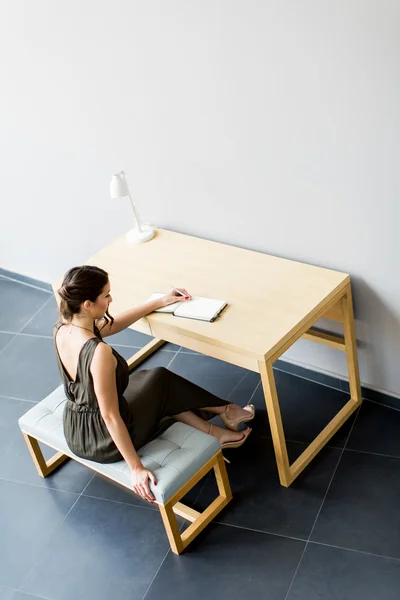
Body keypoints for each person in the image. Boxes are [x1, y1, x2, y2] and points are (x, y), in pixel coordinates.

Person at [54, 265, 254, 504]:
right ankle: (226, 413)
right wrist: (136, 468)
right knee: (161, 380)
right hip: (103, 440)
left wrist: (158, 302)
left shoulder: (64, 328)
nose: (111, 299)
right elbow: (110, 416)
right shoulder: (99, 353)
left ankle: (220, 427)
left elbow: (112, 325)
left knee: (156, 381)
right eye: (106, 295)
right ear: (87, 304)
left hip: (77, 428)